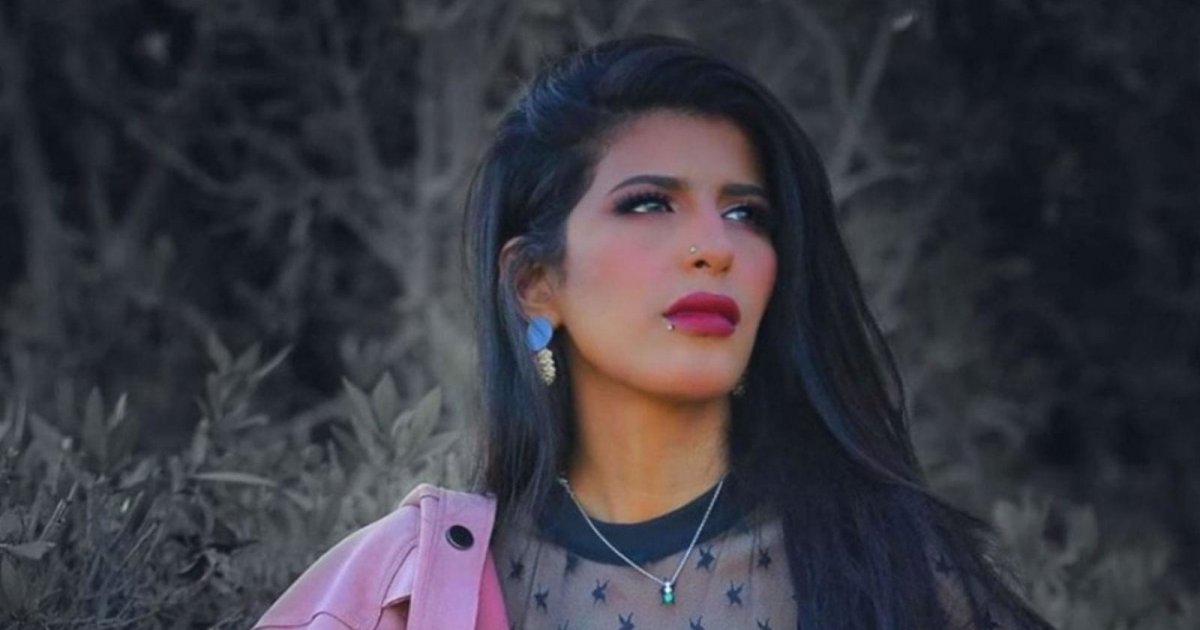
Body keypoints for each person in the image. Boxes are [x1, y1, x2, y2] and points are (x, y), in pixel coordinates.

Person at [256, 34, 1056, 630]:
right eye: (649, 203)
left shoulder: (896, 571)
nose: (714, 247)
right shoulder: (402, 590)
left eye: (746, 213)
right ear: (535, 282)